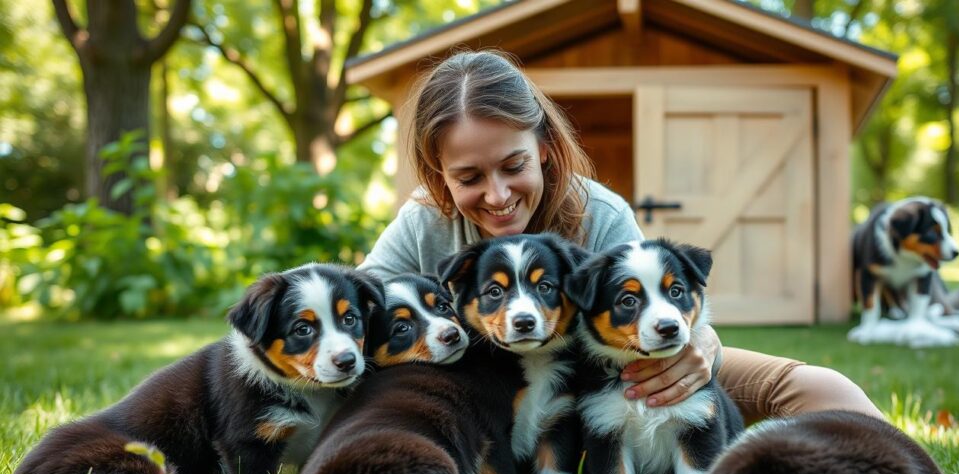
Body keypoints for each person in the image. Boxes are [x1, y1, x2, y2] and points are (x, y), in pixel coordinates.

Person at [359, 49, 883, 424]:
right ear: (439, 174)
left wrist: (700, 344)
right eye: (469, 178)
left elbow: (667, 306)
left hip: (604, 384)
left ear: (543, 146)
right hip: (482, 404)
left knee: (818, 388)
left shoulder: (600, 215)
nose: (497, 196)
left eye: (513, 165)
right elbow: (358, 316)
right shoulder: (426, 221)